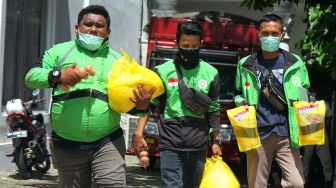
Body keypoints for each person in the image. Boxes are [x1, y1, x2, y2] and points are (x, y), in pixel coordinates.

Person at [25, 5, 154, 187]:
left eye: (99, 26)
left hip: (107, 141)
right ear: (77, 28)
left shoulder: (119, 61)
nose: (93, 29)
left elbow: (127, 103)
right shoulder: (58, 52)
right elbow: (30, 77)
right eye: (88, 24)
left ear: (108, 32)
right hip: (67, 143)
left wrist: (140, 107)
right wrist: (58, 76)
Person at [132, 21, 222, 188]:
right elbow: (150, 106)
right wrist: (139, 133)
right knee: (171, 185)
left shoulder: (211, 73)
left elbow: (214, 110)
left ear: (201, 44)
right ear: (177, 43)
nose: (190, 49)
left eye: (194, 45)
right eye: (185, 45)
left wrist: (216, 141)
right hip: (170, 142)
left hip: (198, 144)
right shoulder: (162, 71)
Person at [234, 14, 310, 188]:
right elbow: (237, 92)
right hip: (257, 132)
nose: (270, 37)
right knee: (257, 184)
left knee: (296, 183)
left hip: (287, 132)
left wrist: (309, 101)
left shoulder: (295, 63)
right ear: (258, 35)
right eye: (265, 33)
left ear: (282, 35)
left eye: (274, 33)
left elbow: (305, 91)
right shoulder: (246, 64)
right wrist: (240, 101)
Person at [301, 94, 333, 188]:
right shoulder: (303, 106)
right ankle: (304, 181)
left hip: (321, 136)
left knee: (326, 158)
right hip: (307, 137)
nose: (312, 96)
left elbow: (329, 117)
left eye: (313, 94)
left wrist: (322, 128)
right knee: (305, 160)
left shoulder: (324, 104)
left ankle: (329, 180)